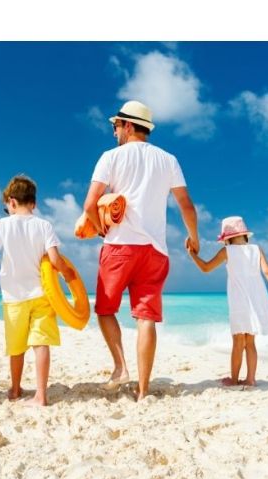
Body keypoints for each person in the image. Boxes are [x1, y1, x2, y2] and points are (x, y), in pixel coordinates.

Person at [85, 100, 200, 401]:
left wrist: (100, 228)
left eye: (116, 126)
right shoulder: (168, 159)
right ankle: (143, 390)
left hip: (119, 247)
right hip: (154, 251)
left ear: (128, 126)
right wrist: (194, 237)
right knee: (146, 317)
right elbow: (186, 205)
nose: (113, 132)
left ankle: (121, 367)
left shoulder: (110, 157)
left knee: (105, 309)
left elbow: (89, 205)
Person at [0, 175, 66, 406]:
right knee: (41, 343)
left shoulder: (3, 225)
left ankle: (15, 389)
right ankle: (41, 396)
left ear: (12, 202)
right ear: (33, 203)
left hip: (13, 298)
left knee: (16, 347)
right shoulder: (44, 225)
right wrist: (69, 275)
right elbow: (55, 259)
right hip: (41, 294)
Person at [189, 216, 268, 388]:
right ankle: (251, 379)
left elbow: (206, 268)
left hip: (239, 301)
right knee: (250, 341)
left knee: (238, 341)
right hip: (257, 299)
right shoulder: (256, 249)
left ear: (227, 237)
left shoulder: (227, 252)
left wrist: (192, 254)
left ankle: (234, 379)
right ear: (245, 234)